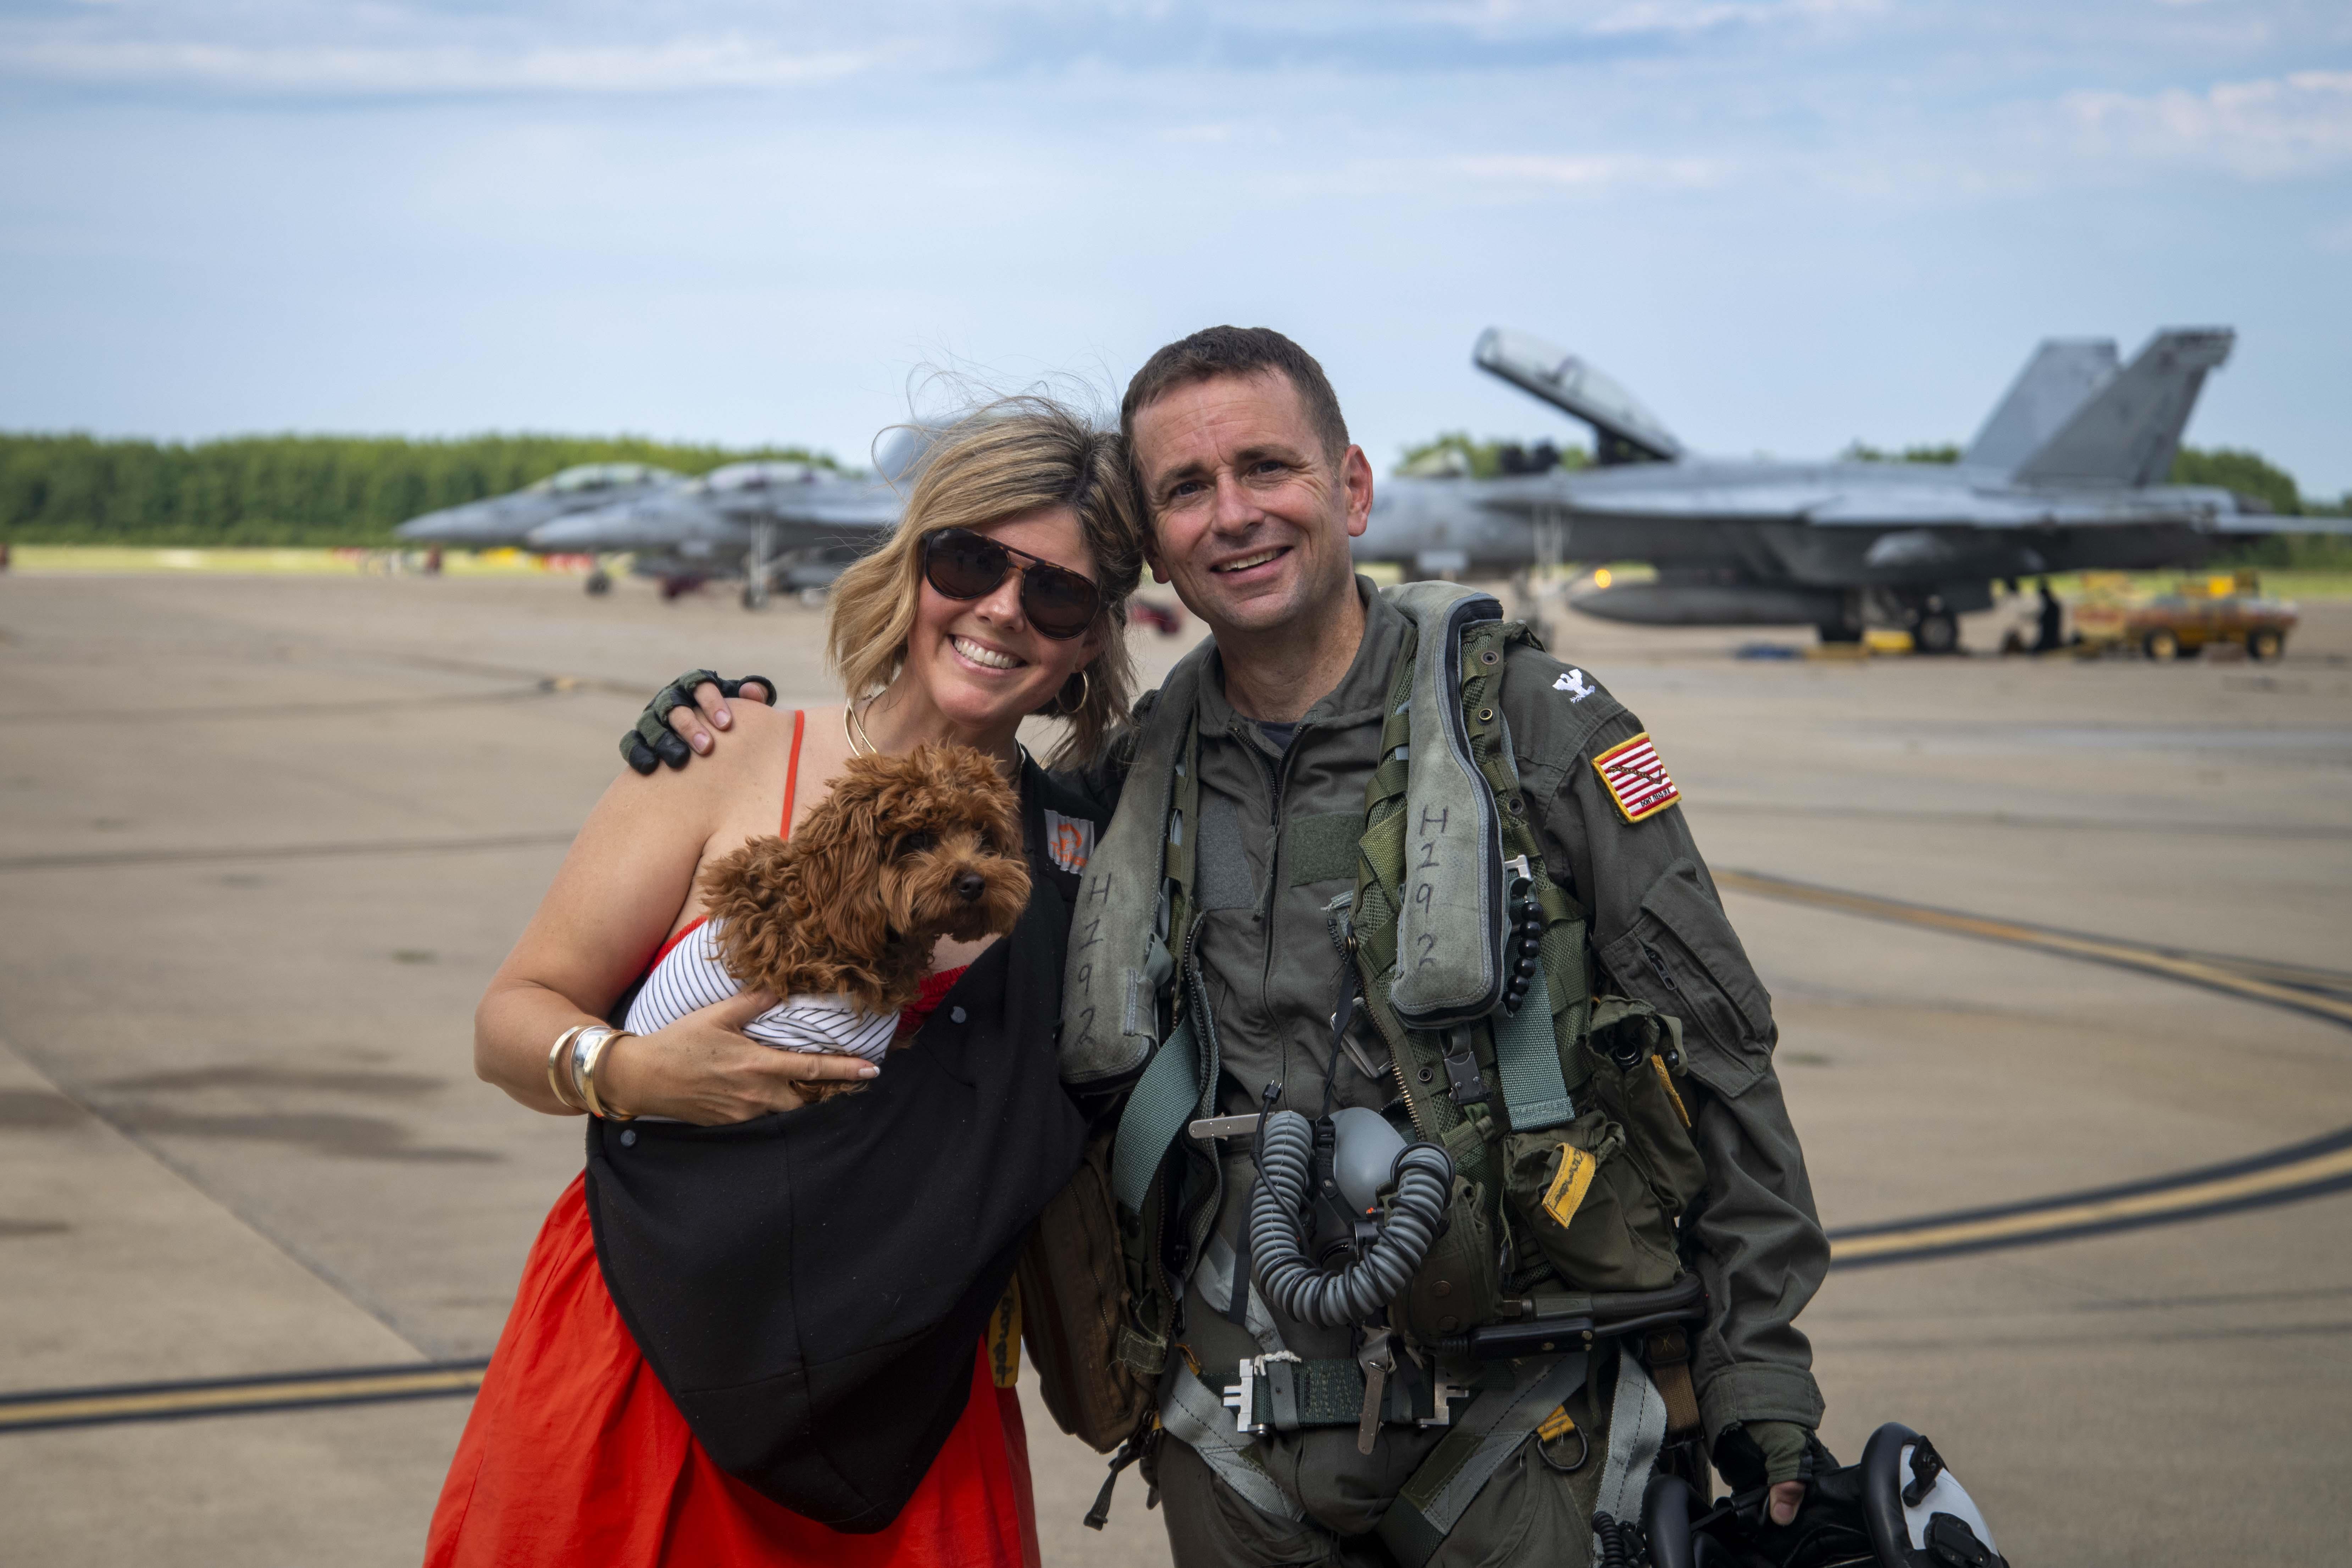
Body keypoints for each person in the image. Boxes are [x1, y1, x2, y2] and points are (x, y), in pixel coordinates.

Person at [653, 329, 1829, 1568]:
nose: (1234, 517)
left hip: (1520, 1431)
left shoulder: (1529, 729)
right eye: (1186, 490)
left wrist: (1761, 1379)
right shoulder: (1117, 795)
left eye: (1268, 468)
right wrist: (704, 725)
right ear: (1155, 547)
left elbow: (1718, 1044)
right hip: (1235, 1458)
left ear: (1352, 489)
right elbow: (903, 895)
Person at [428, 398, 1146, 1568]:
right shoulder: (734, 752)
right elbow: (510, 1021)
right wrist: (631, 1071)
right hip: (644, 1353)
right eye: (971, 560)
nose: (1003, 609)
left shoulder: (1090, 841)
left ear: (1092, 640)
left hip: (907, 1400)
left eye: (1057, 593)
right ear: (914, 566)